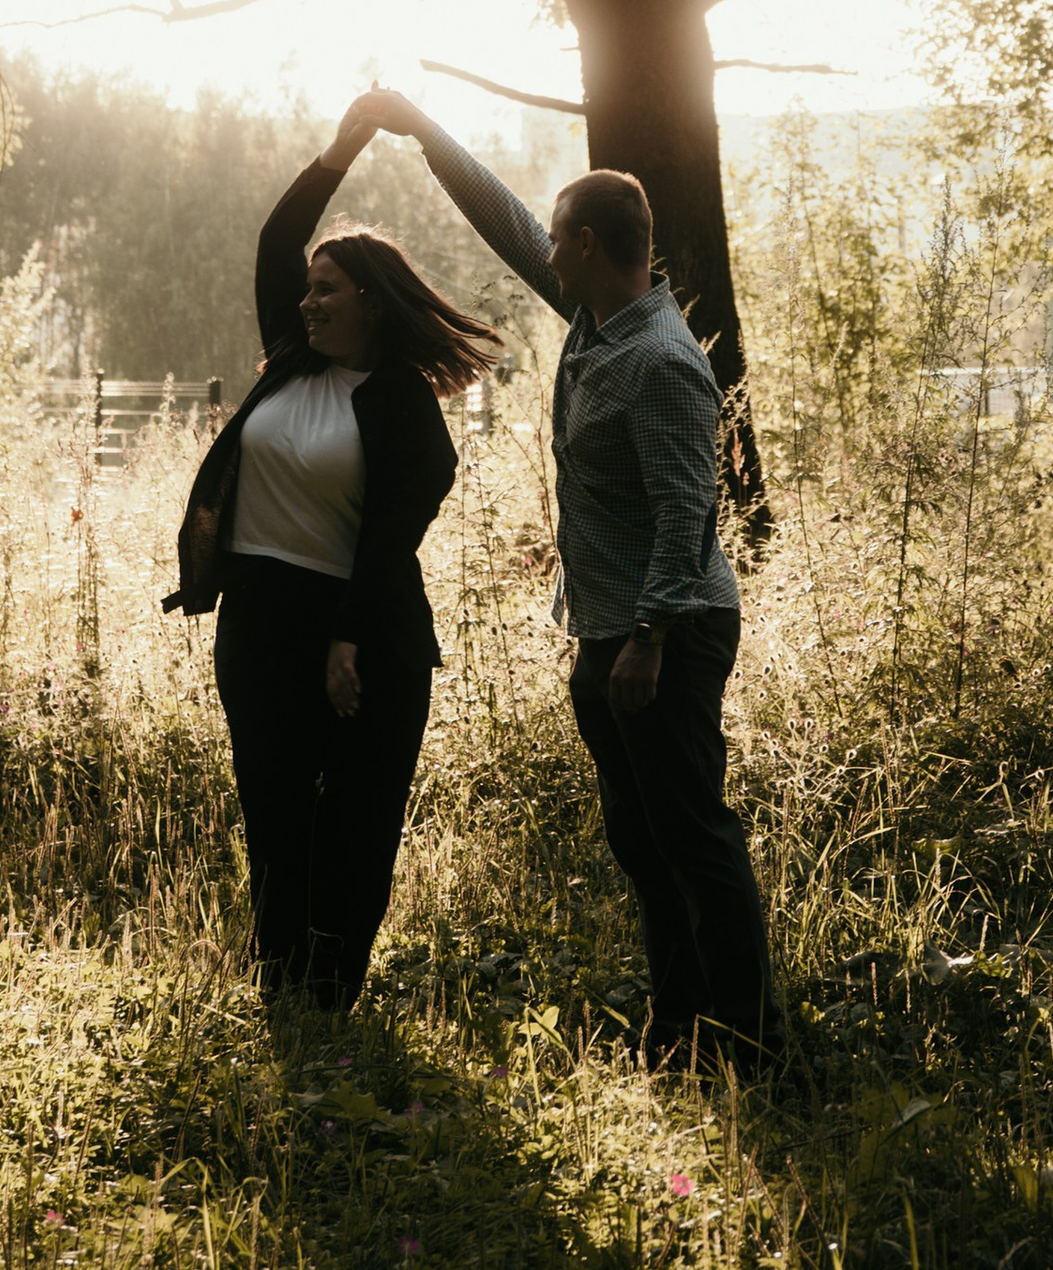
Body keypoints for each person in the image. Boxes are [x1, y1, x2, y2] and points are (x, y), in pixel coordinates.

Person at [334, 85, 780, 1072]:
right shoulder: (596, 318)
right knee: (644, 842)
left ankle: (750, 1047)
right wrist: (422, 131)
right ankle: (679, 1033)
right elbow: (503, 218)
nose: (544, 247)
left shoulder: (658, 358)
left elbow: (685, 507)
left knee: (693, 837)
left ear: (581, 242)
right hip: (611, 629)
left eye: (556, 237)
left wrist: (648, 641)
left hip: (663, 632)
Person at [166, 111, 497, 1010]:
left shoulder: (401, 407)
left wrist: (345, 637)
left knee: (354, 821)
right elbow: (279, 234)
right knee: (272, 809)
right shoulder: (291, 359)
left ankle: (331, 993)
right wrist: (345, 145)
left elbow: (394, 537)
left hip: (363, 630)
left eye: (328, 288)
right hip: (262, 621)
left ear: (370, 302)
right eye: (307, 288)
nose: (309, 300)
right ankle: (281, 991)